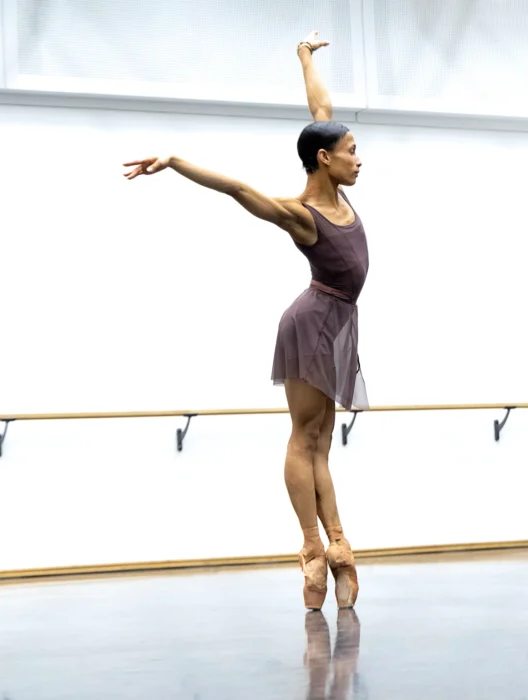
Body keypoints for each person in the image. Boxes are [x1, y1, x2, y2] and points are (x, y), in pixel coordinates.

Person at [122, 31, 366, 611]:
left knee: (322, 443)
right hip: (311, 321)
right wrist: (176, 162)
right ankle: (312, 547)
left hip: (338, 322)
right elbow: (237, 189)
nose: (360, 158)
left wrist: (304, 58)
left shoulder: (333, 171)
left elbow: (319, 108)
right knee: (304, 438)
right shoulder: (301, 215)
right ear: (324, 159)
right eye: (352, 150)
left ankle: (339, 545)